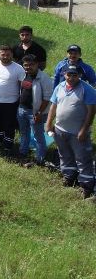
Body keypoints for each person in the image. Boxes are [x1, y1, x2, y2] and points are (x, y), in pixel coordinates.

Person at [46, 65, 96, 198]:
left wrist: (84, 130)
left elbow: (91, 112)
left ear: (79, 75)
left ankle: (87, 186)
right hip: (60, 130)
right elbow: (53, 106)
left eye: (75, 75)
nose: (71, 77)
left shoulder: (87, 89)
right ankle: (69, 177)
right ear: (64, 74)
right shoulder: (60, 86)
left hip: (77, 133)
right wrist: (49, 123)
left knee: (83, 158)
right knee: (64, 155)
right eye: (69, 74)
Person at [0, 44, 26, 151]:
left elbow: (21, 85)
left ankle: (8, 146)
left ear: (12, 55)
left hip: (11, 102)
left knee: (9, 124)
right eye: (3, 54)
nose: (5, 57)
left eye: (8, 55)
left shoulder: (19, 69)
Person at [18, 54, 54, 166]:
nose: (28, 67)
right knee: (24, 132)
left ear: (37, 65)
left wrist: (39, 112)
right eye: (26, 65)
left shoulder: (44, 78)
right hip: (22, 109)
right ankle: (22, 152)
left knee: (38, 136)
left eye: (31, 65)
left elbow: (47, 98)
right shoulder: (23, 75)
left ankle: (40, 158)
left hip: (35, 113)